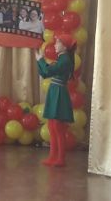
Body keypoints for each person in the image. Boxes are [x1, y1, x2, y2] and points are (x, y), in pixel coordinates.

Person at [34, 33, 76, 167]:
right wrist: (39, 61)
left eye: (58, 43)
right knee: (52, 126)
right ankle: (52, 157)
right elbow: (44, 73)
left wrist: (41, 60)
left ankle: (60, 158)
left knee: (58, 128)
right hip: (55, 91)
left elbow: (47, 72)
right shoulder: (61, 59)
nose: (55, 45)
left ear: (65, 46)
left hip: (59, 93)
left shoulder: (65, 60)